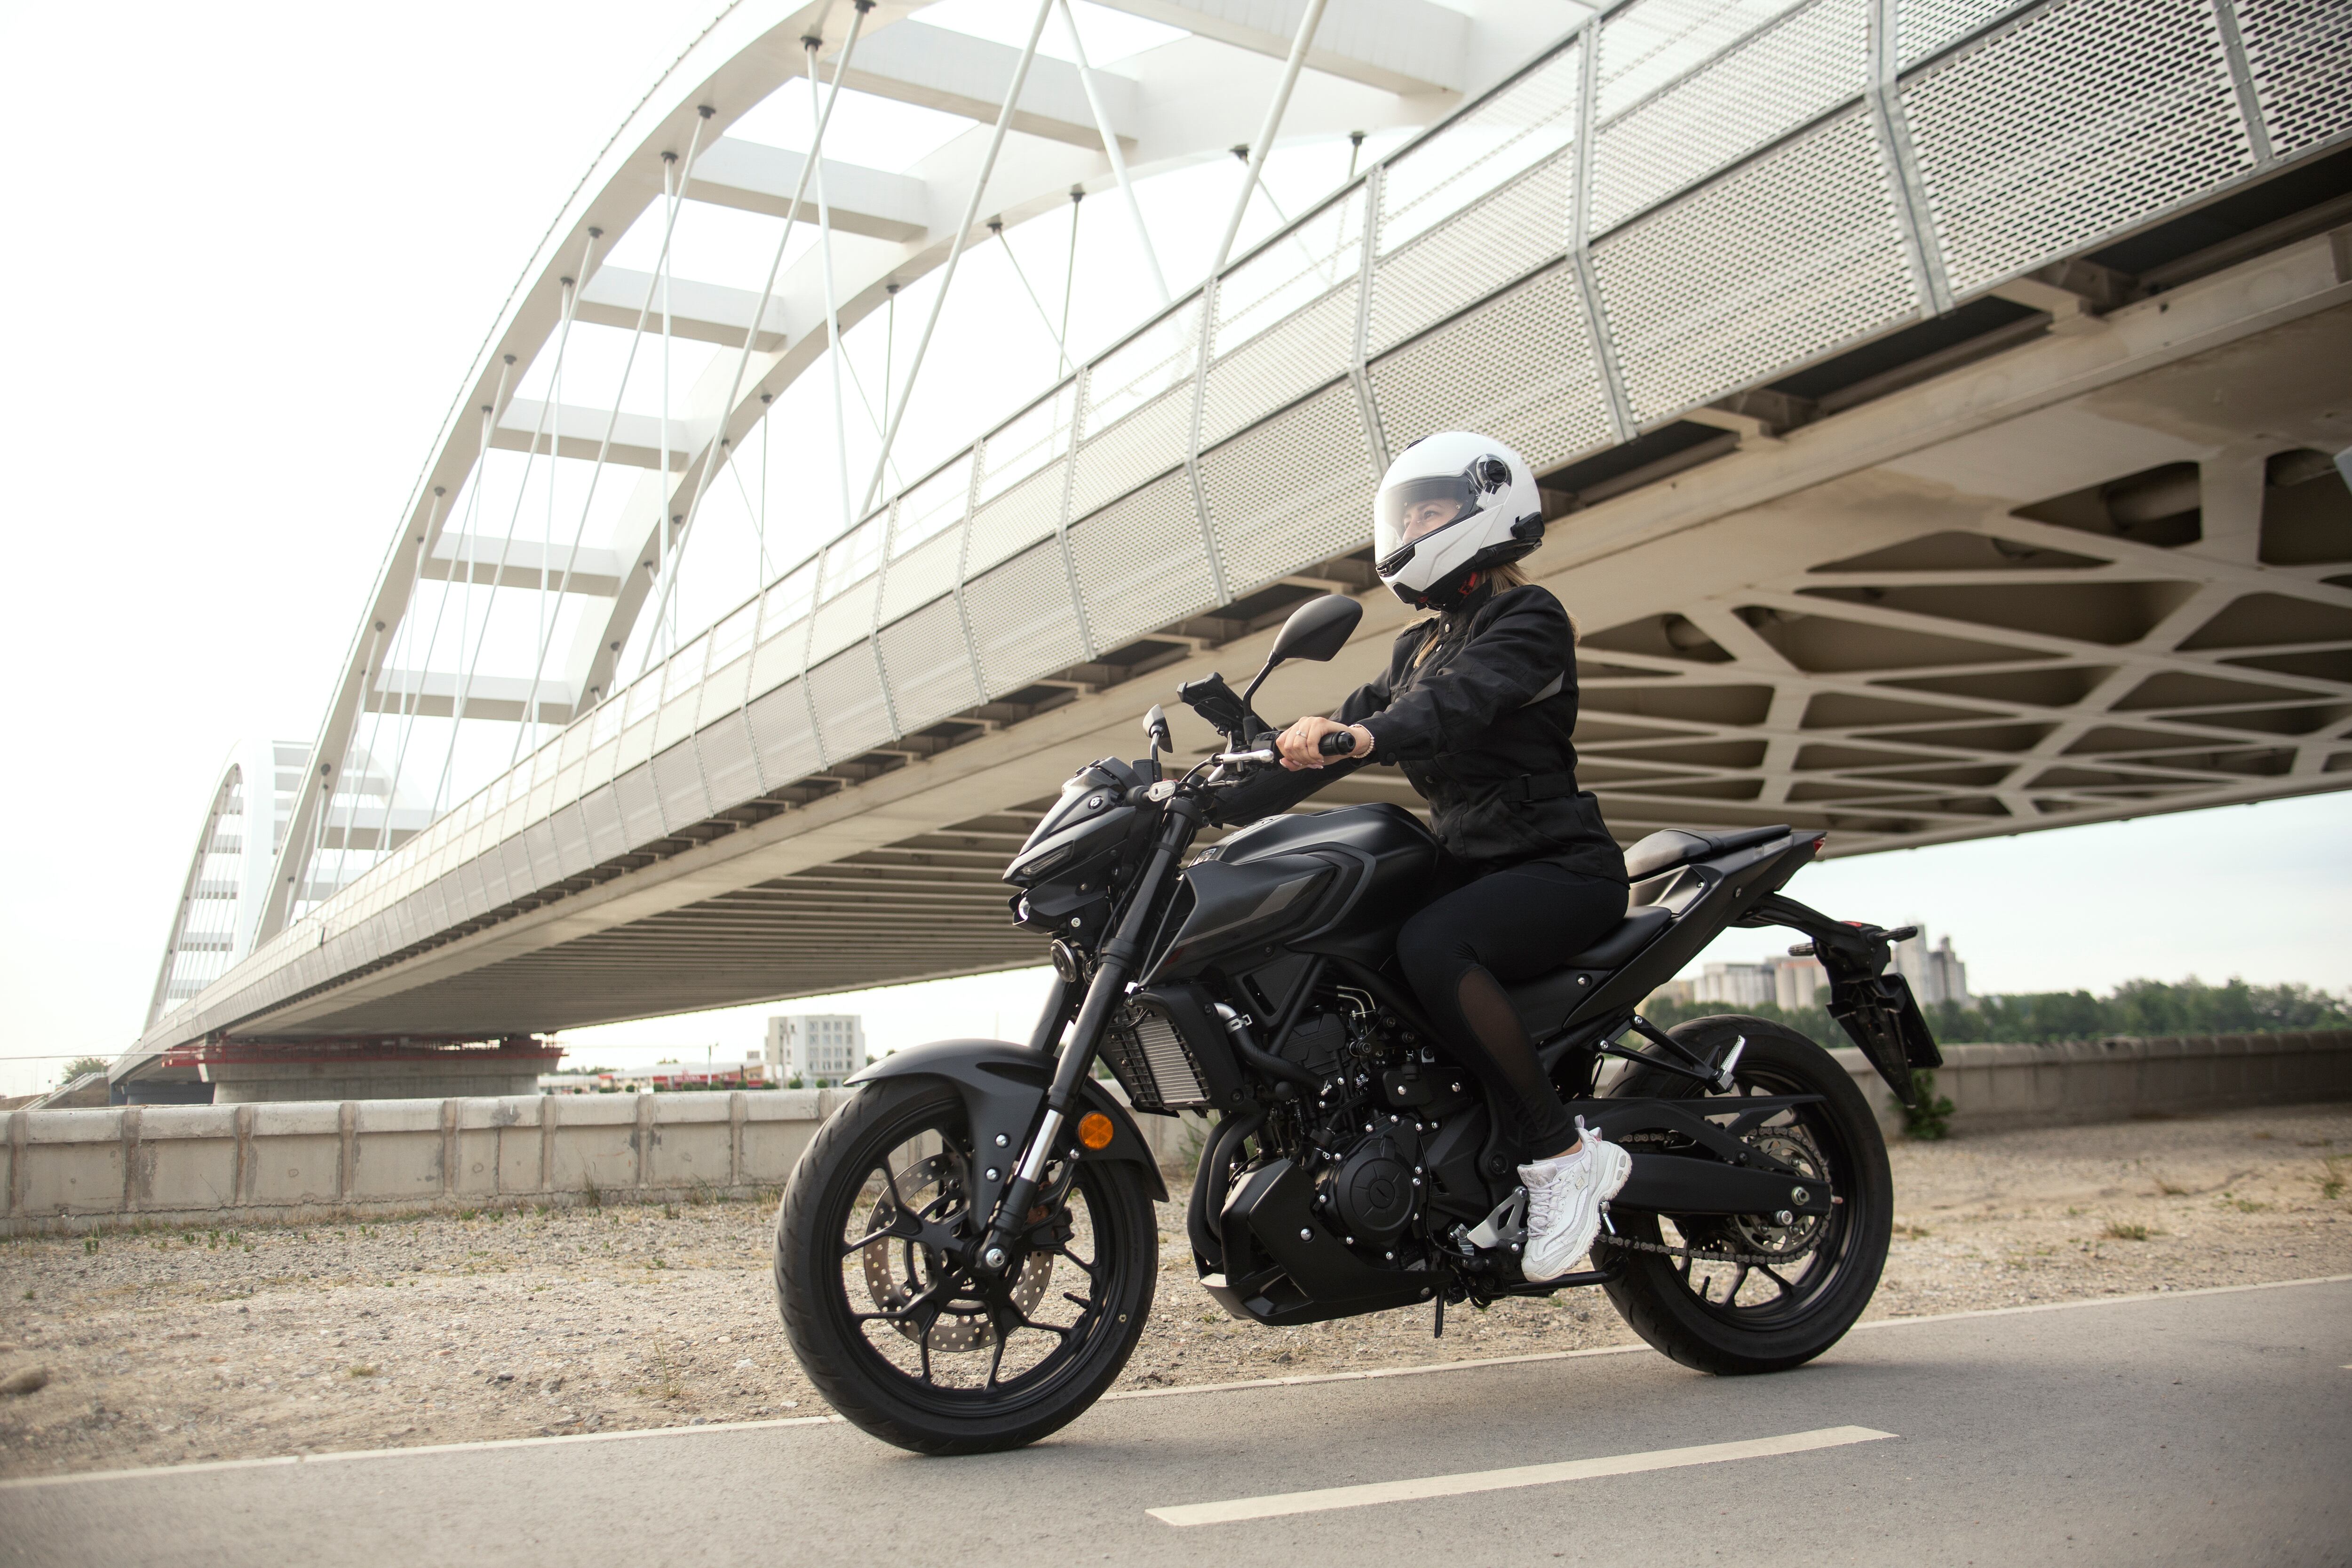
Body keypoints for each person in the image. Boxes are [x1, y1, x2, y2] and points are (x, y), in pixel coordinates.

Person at [1271, 431, 1631, 1282]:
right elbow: (1353, 716)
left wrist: (1366, 735)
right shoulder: (1418, 646)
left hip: (1559, 867)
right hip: (1477, 867)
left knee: (1431, 942)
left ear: (1487, 507)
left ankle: (1564, 1154)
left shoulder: (1529, 618)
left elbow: (1457, 701)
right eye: (1405, 518)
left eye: (1428, 513)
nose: (1411, 530)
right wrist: (1231, 770)